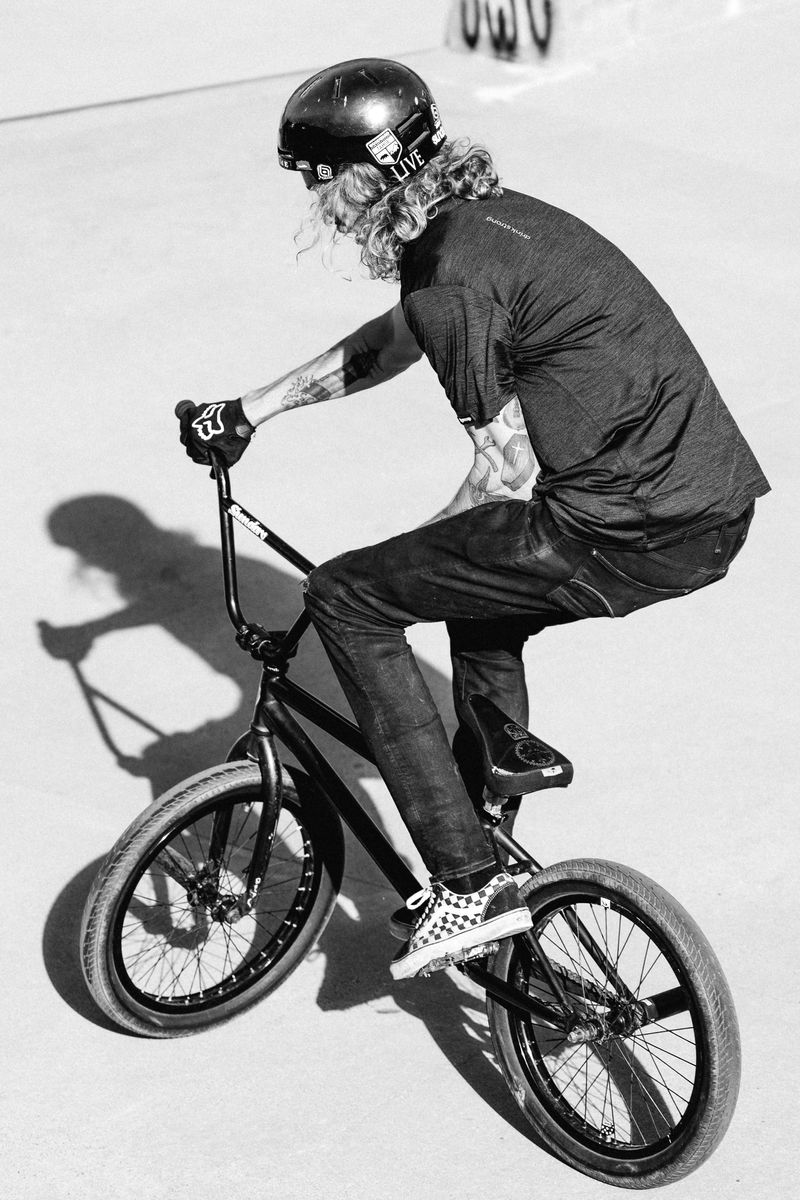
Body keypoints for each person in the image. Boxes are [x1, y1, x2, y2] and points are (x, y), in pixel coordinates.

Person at [178, 58, 769, 981]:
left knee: (349, 596)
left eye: (321, 180)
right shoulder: (484, 223)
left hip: (622, 529)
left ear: (367, 173)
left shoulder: (450, 276)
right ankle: (491, 789)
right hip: (705, 510)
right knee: (474, 592)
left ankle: (463, 880)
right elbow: (393, 340)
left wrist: (395, 565)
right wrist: (251, 410)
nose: (317, 203)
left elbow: (505, 472)